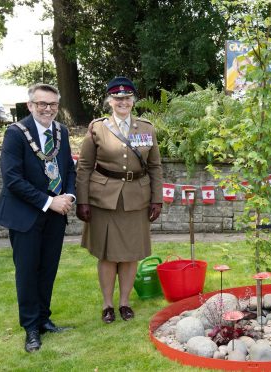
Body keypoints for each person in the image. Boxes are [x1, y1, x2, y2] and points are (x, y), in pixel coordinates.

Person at [0, 83, 76, 352]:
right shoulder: (15, 134)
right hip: (25, 216)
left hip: (55, 216)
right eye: (42, 104)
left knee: (48, 270)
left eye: (52, 104)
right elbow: (12, 179)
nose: (48, 109)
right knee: (28, 273)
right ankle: (30, 328)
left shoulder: (61, 132)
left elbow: (69, 171)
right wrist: (50, 202)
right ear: (30, 105)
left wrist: (70, 197)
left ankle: (43, 320)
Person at [75, 77, 163, 324]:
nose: (122, 102)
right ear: (110, 101)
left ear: (133, 101)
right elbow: (84, 166)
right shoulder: (97, 127)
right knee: (107, 254)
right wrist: (82, 201)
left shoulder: (146, 128)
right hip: (104, 200)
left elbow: (155, 166)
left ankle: (124, 302)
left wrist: (158, 199)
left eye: (127, 98)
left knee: (130, 253)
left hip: (137, 198)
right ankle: (107, 304)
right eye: (117, 98)